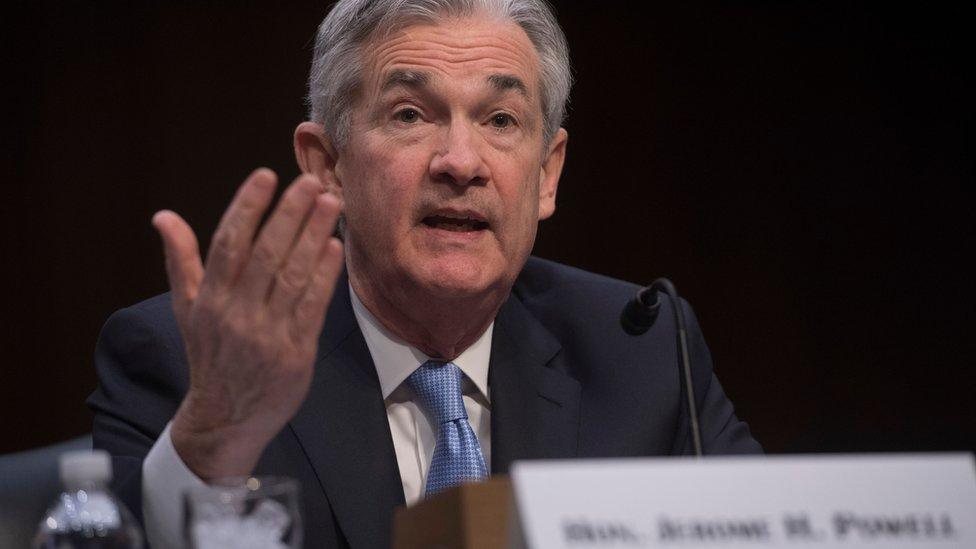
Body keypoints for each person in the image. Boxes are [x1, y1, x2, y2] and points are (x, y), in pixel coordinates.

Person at [88, 0, 762, 547]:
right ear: (328, 165)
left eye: (501, 119)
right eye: (410, 114)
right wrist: (213, 440)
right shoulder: (193, 367)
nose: (461, 161)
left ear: (548, 173)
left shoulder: (641, 352)